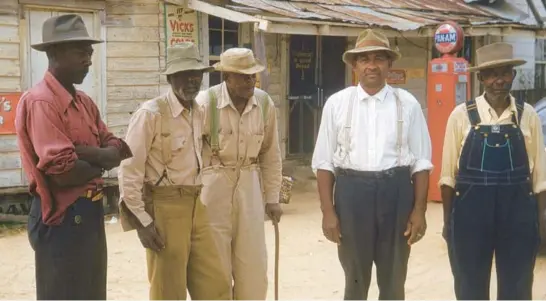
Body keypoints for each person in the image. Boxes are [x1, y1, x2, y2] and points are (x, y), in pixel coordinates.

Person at [15, 14, 132, 300]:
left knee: (92, 294)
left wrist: (86, 153)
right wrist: (103, 158)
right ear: (54, 53)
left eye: (90, 52)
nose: (88, 59)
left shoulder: (85, 102)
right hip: (61, 218)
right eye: (80, 51)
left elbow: (119, 148)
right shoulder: (41, 102)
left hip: (90, 214)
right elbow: (64, 172)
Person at [311, 29, 433, 300]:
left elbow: (422, 162)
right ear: (354, 65)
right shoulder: (337, 104)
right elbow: (324, 162)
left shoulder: (407, 104)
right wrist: (328, 212)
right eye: (364, 59)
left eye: (379, 58)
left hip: (397, 191)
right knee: (355, 275)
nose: (372, 65)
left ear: (390, 64)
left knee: (393, 278)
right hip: (352, 194)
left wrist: (419, 210)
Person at [117, 42, 231, 300]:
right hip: (164, 206)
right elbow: (129, 170)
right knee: (169, 290)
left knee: (216, 283)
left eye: (196, 74)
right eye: (183, 74)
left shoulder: (199, 112)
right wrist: (142, 223)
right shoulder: (150, 114)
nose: (192, 80)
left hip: (196, 203)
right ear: (170, 78)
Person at [440, 42, 546, 300]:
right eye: (492, 74)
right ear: (481, 77)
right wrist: (448, 221)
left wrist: (540, 219)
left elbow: (540, 176)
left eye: (505, 72)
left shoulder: (527, 115)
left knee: (518, 283)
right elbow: (447, 176)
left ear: (514, 75)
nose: (499, 80)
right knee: (470, 282)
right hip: (471, 211)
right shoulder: (461, 116)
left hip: (518, 210)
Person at [196, 47, 283, 300]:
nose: (250, 81)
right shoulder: (205, 103)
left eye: (252, 75)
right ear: (226, 77)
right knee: (215, 265)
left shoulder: (264, 103)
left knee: (253, 264)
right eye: (243, 76)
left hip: (249, 182)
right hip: (213, 185)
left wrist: (273, 198)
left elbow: (271, 154)